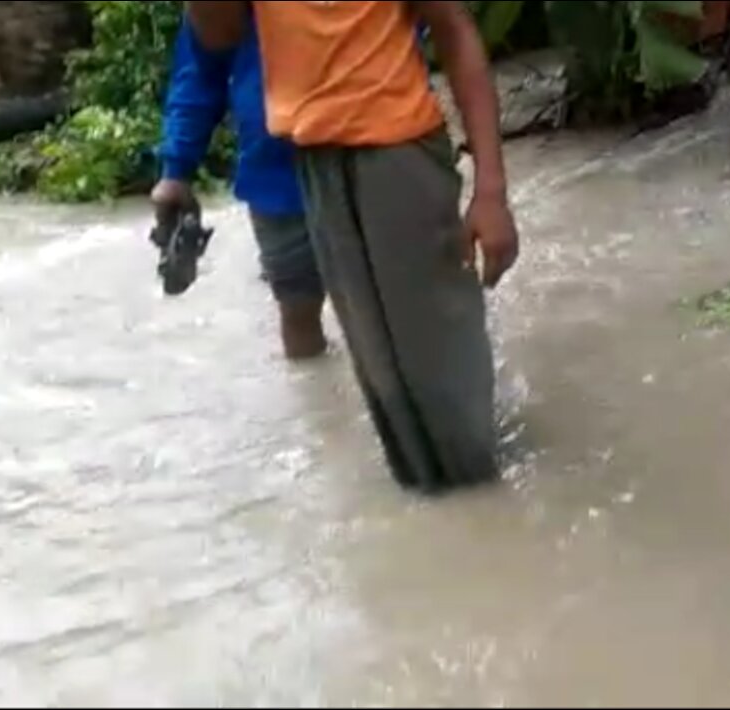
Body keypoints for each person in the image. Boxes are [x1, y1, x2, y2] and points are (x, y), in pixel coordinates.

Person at [186, 1, 520, 492]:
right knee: (383, 379)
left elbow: (453, 29)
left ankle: (487, 503)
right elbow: (218, 35)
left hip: (398, 152)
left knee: (441, 364)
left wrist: (490, 192)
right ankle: (444, 519)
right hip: (314, 162)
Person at [152, 17, 328, 360]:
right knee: (299, 315)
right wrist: (176, 169)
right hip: (276, 171)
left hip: (375, 155)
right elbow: (201, 67)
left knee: (392, 310)